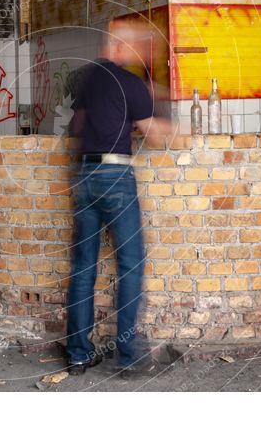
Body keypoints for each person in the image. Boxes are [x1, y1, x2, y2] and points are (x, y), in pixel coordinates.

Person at [65, 25, 173, 379]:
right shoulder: (131, 84)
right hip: (115, 177)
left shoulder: (87, 79)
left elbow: (76, 128)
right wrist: (164, 112)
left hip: (83, 175)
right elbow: (156, 137)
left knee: (83, 267)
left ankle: (78, 355)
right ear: (122, 46)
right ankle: (127, 356)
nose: (140, 51)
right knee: (130, 265)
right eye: (138, 45)